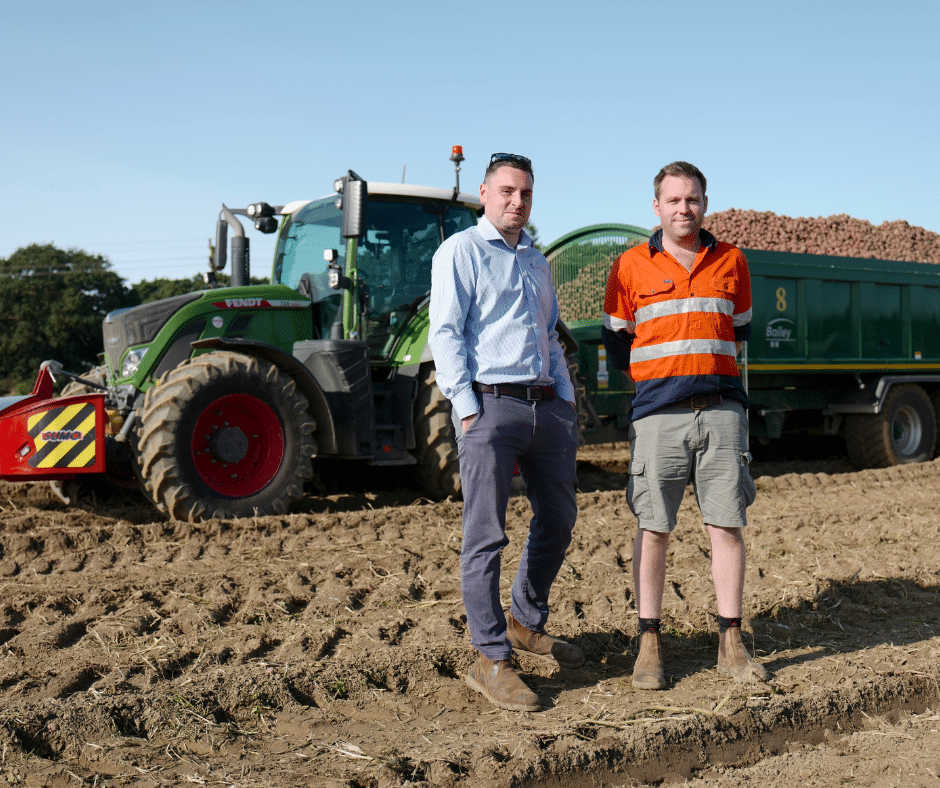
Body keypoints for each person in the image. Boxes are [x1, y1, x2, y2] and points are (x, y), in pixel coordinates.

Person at [602, 161, 769, 689]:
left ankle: (731, 640)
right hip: (658, 416)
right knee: (654, 529)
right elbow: (616, 339)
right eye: (673, 200)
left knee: (727, 526)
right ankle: (649, 643)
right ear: (656, 206)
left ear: (705, 203)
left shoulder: (732, 261)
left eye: (692, 199)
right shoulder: (629, 266)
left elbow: (740, 331)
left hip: (721, 411)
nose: (683, 209)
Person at [429, 152, 584, 712]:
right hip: (490, 405)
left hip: (546, 408)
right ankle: (492, 657)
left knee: (560, 517)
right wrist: (469, 409)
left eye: (525, 194)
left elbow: (549, 334)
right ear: (485, 193)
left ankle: (524, 619)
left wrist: (564, 398)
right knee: (486, 534)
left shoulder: (537, 260)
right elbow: (444, 333)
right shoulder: (461, 252)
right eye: (507, 192)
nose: (517, 202)